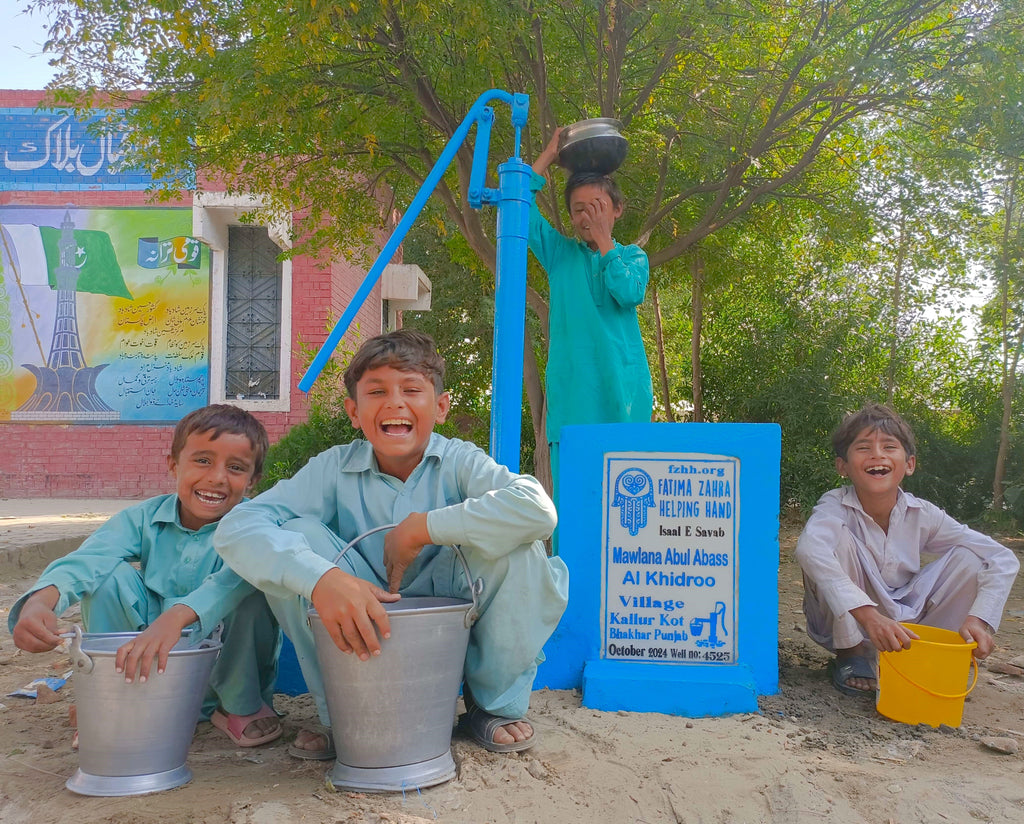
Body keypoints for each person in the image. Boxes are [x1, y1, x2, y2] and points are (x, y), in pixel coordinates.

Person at [214, 329, 569, 758]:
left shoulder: (460, 462)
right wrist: (321, 579)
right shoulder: (333, 468)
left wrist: (423, 528)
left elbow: (538, 510)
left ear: (440, 407)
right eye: (377, 391)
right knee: (298, 538)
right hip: (364, 613)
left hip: (451, 613)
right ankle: (342, 714)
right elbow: (237, 526)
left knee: (520, 547)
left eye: (411, 389)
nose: (395, 403)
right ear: (353, 411)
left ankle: (490, 706)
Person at [10, 404, 283, 747]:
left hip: (222, 678)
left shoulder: (255, 524)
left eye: (236, 467)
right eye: (202, 460)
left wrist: (176, 618)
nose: (217, 477)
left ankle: (237, 708)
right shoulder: (143, 517)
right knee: (107, 576)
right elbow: (91, 558)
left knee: (256, 585)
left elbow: (233, 582)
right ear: (173, 464)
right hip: (147, 670)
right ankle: (115, 698)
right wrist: (40, 603)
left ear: (253, 479)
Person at [796, 403, 1020, 697]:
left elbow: (1001, 557)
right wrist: (869, 616)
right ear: (843, 467)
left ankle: (931, 653)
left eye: (889, 446)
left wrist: (979, 618)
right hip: (849, 623)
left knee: (970, 558)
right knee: (832, 542)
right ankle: (852, 656)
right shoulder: (834, 507)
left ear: (909, 464)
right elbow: (809, 549)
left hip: (907, 627)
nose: (877, 454)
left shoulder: (923, 514)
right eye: (863, 447)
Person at [529, 127, 654, 494]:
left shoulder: (633, 257)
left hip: (624, 397)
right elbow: (519, 206)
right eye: (579, 210)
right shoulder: (559, 255)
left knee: (629, 503)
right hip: (572, 402)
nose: (587, 217)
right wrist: (550, 153)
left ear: (617, 209)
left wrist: (604, 240)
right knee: (574, 506)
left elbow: (629, 292)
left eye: (597, 208)